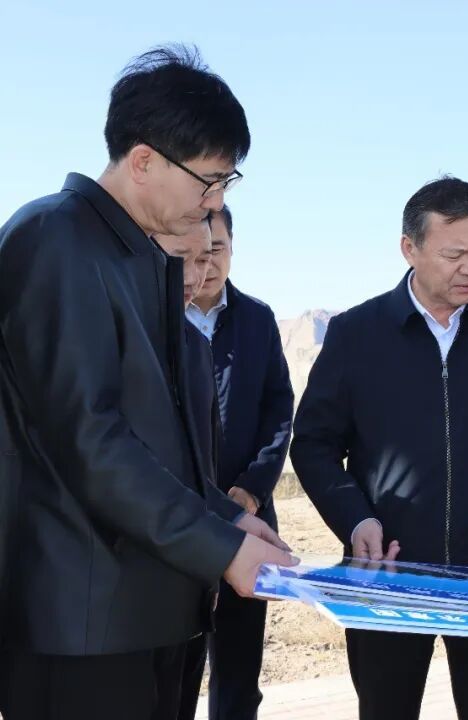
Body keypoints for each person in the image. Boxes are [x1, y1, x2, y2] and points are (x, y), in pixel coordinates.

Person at [0, 45, 294, 720]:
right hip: (82, 628)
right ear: (142, 162)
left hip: (151, 615)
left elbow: (162, 449)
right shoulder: (56, 240)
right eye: (209, 181)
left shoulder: (137, 258)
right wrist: (222, 547)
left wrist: (232, 518)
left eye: (227, 183)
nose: (215, 203)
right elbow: (90, 442)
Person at [291, 176, 468, 720]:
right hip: (387, 576)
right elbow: (314, 445)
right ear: (409, 248)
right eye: (455, 254)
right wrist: (355, 520)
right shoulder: (356, 335)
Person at [178, 205, 295, 720]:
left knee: (239, 674)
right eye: (195, 254)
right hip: (178, 523)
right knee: (176, 668)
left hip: (250, 521)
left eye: (217, 250)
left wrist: (251, 490)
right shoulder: (157, 317)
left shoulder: (257, 320)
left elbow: (279, 412)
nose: (207, 265)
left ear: (233, 248)